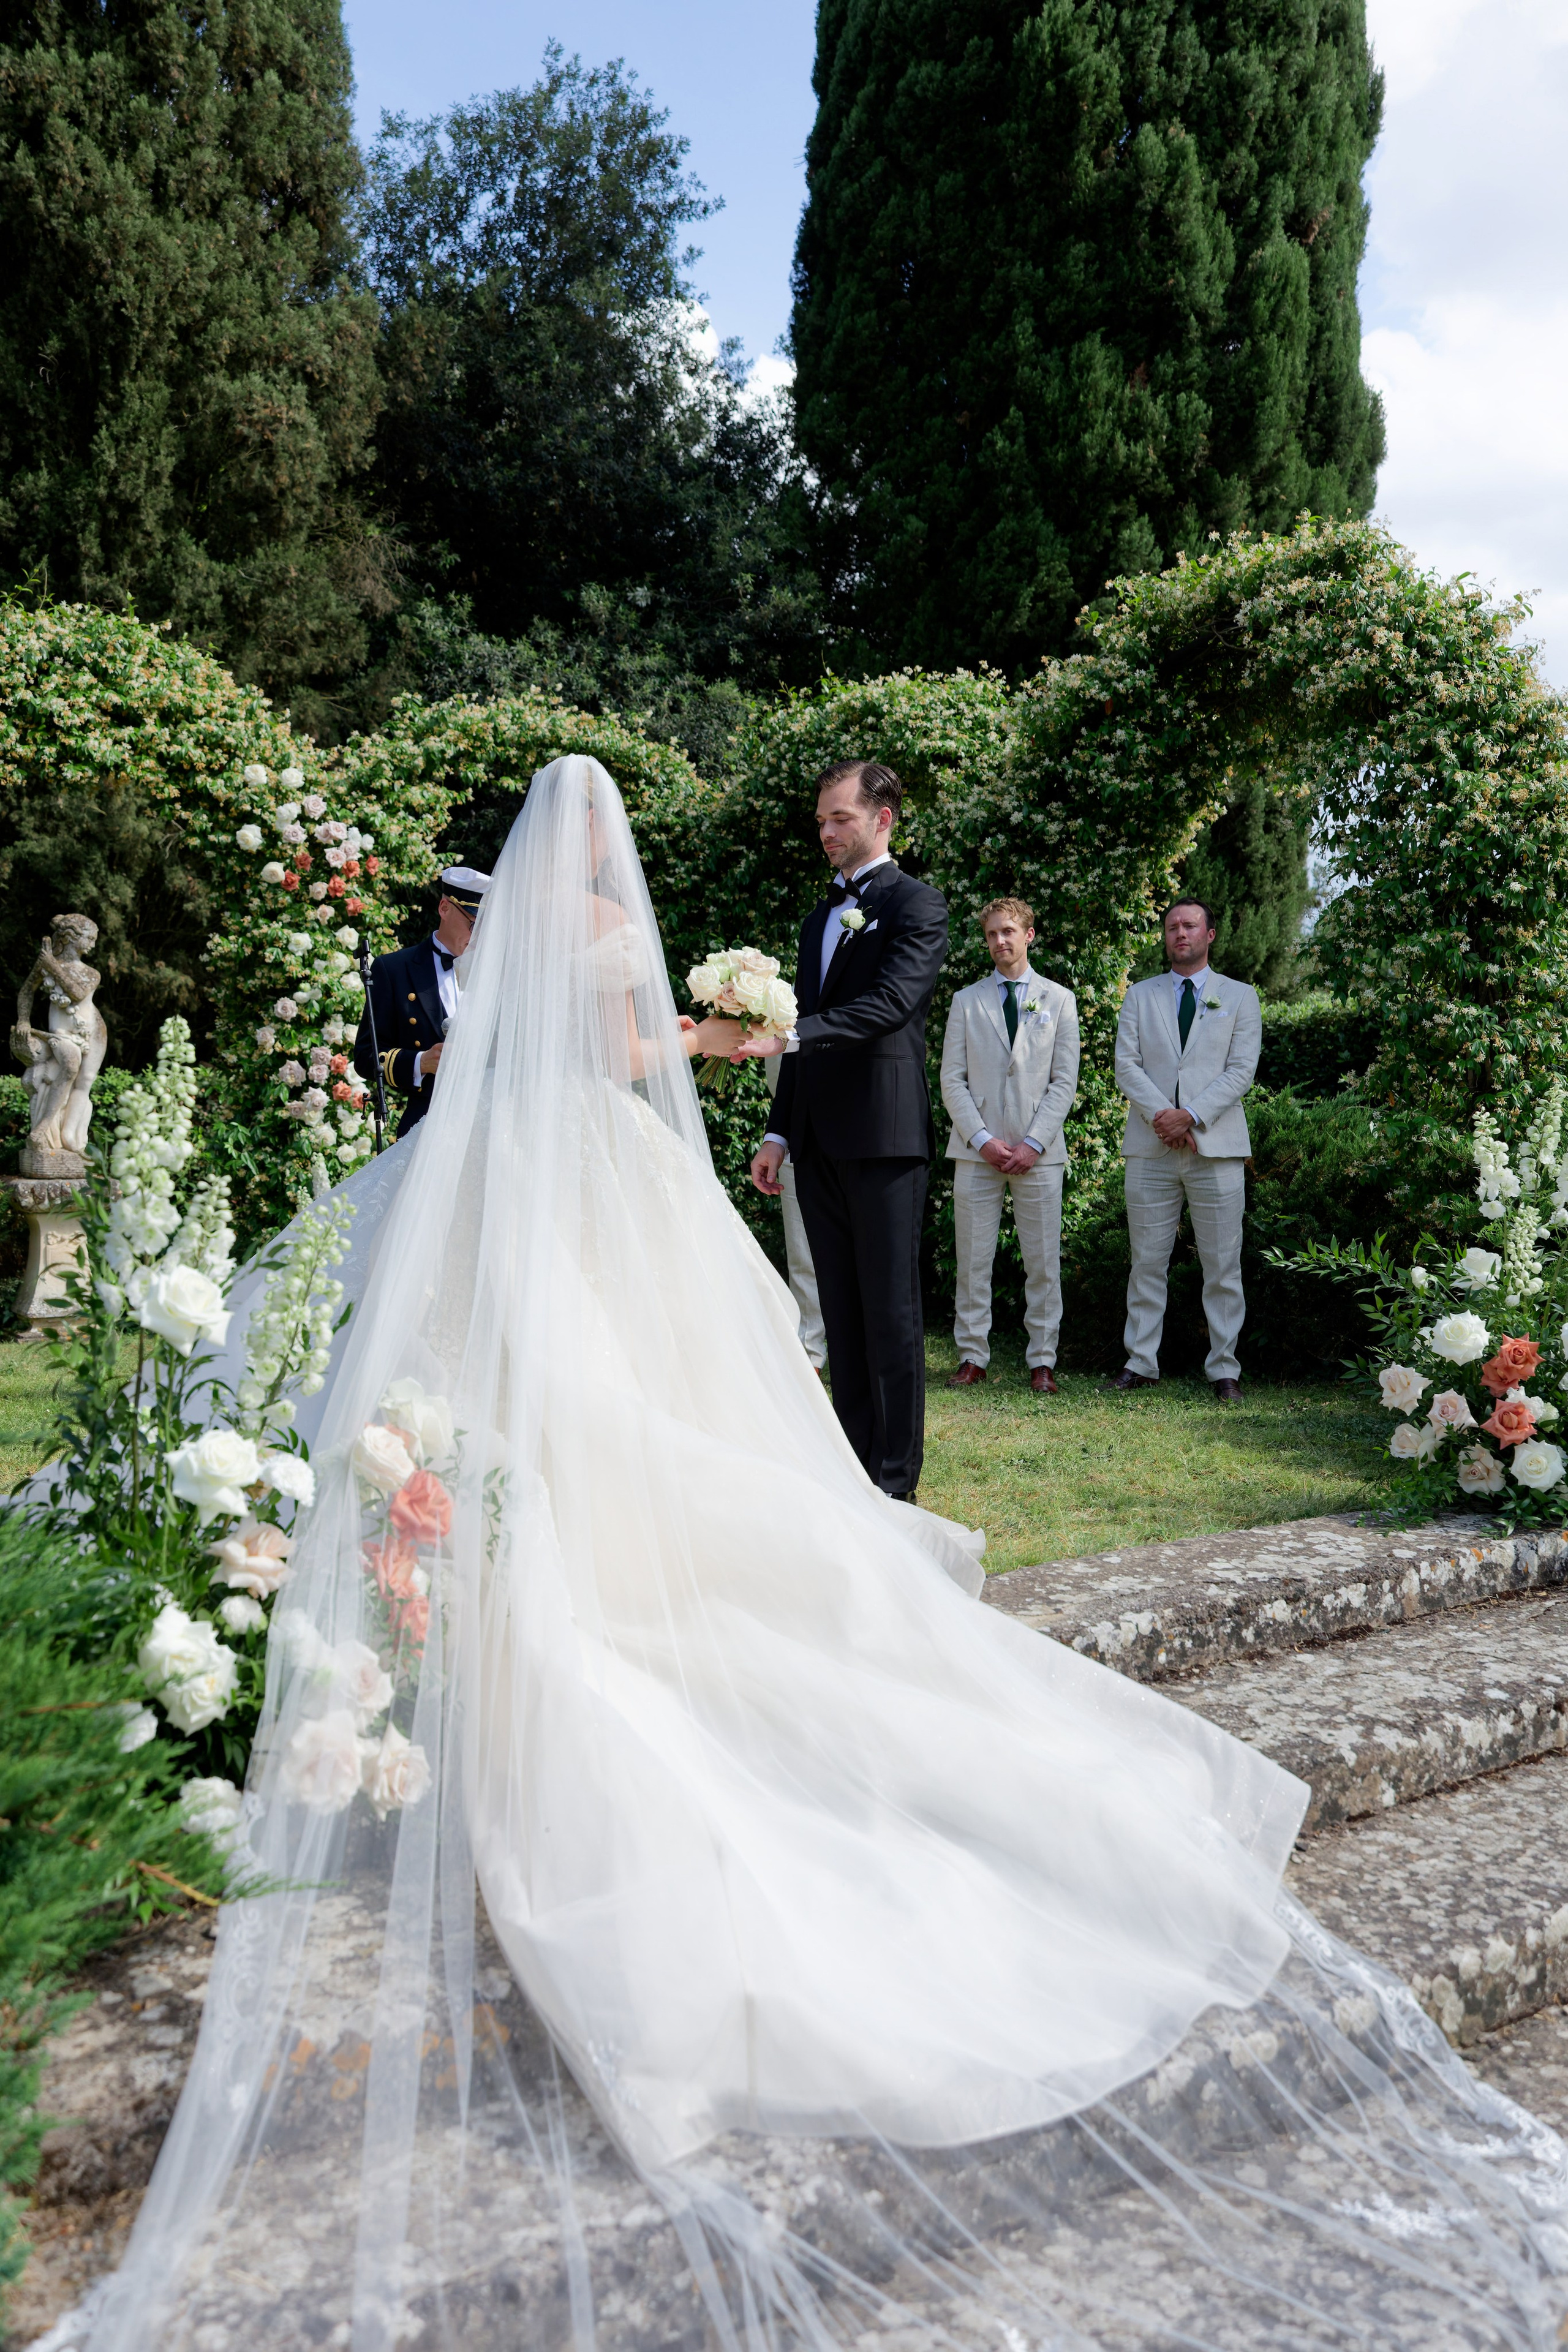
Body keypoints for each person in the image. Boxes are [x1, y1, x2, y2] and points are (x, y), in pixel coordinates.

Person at [74, 760, 1567, 2352]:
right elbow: (640, 1050)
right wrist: (724, 1033)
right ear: (608, 852)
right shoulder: (607, 933)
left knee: (527, 1383)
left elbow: (491, 1053)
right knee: (652, 1397)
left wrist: (741, 1029)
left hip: (516, 1164)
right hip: (606, 1173)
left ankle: (522, 1566)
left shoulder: (530, 931)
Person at [747, 760, 949, 1501]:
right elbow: (796, 1030)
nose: (827, 832)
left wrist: (790, 1036)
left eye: (841, 819)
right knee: (840, 1309)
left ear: (883, 818)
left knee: (890, 1312)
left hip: (886, 1137)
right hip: (818, 1142)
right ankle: (855, 1476)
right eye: (821, 820)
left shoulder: (918, 906)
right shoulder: (816, 920)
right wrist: (778, 1133)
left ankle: (896, 1486)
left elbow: (891, 1004)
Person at [1112, 897, 1262, 1401]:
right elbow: (1126, 1066)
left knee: (1222, 1264)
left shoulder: (1240, 997)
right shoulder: (1139, 995)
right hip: (1152, 1147)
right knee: (1146, 1262)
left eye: (1190, 925)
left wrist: (1191, 1115)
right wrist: (1165, 1118)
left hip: (1215, 1147)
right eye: (1172, 926)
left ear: (1210, 935)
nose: (1181, 933)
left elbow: (1241, 1070)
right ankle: (1141, 1363)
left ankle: (1224, 1369)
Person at [939, 897, 1079, 1394]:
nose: (1001, 941)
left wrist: (1035, 1143)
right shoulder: (967, 1001)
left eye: (1009, 932)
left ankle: (1042, 1360)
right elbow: (951, 1080)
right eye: (993, 934)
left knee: (1043, 1262)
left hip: (1039, 1154)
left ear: (1029, 935)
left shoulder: (1059, 1000)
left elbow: (1064, 1081)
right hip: (977, 1153)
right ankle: (973, 1355)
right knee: (972, 1260)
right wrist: (982, 1139)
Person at [352, 864, 492, 1137]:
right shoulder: (394, 969)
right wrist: (422, 1062)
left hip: (494, 1124)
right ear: (444, 908)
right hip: (428, 1125)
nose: (480, 935)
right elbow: (366, 1056)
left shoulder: (503, 972)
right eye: (474, 924)